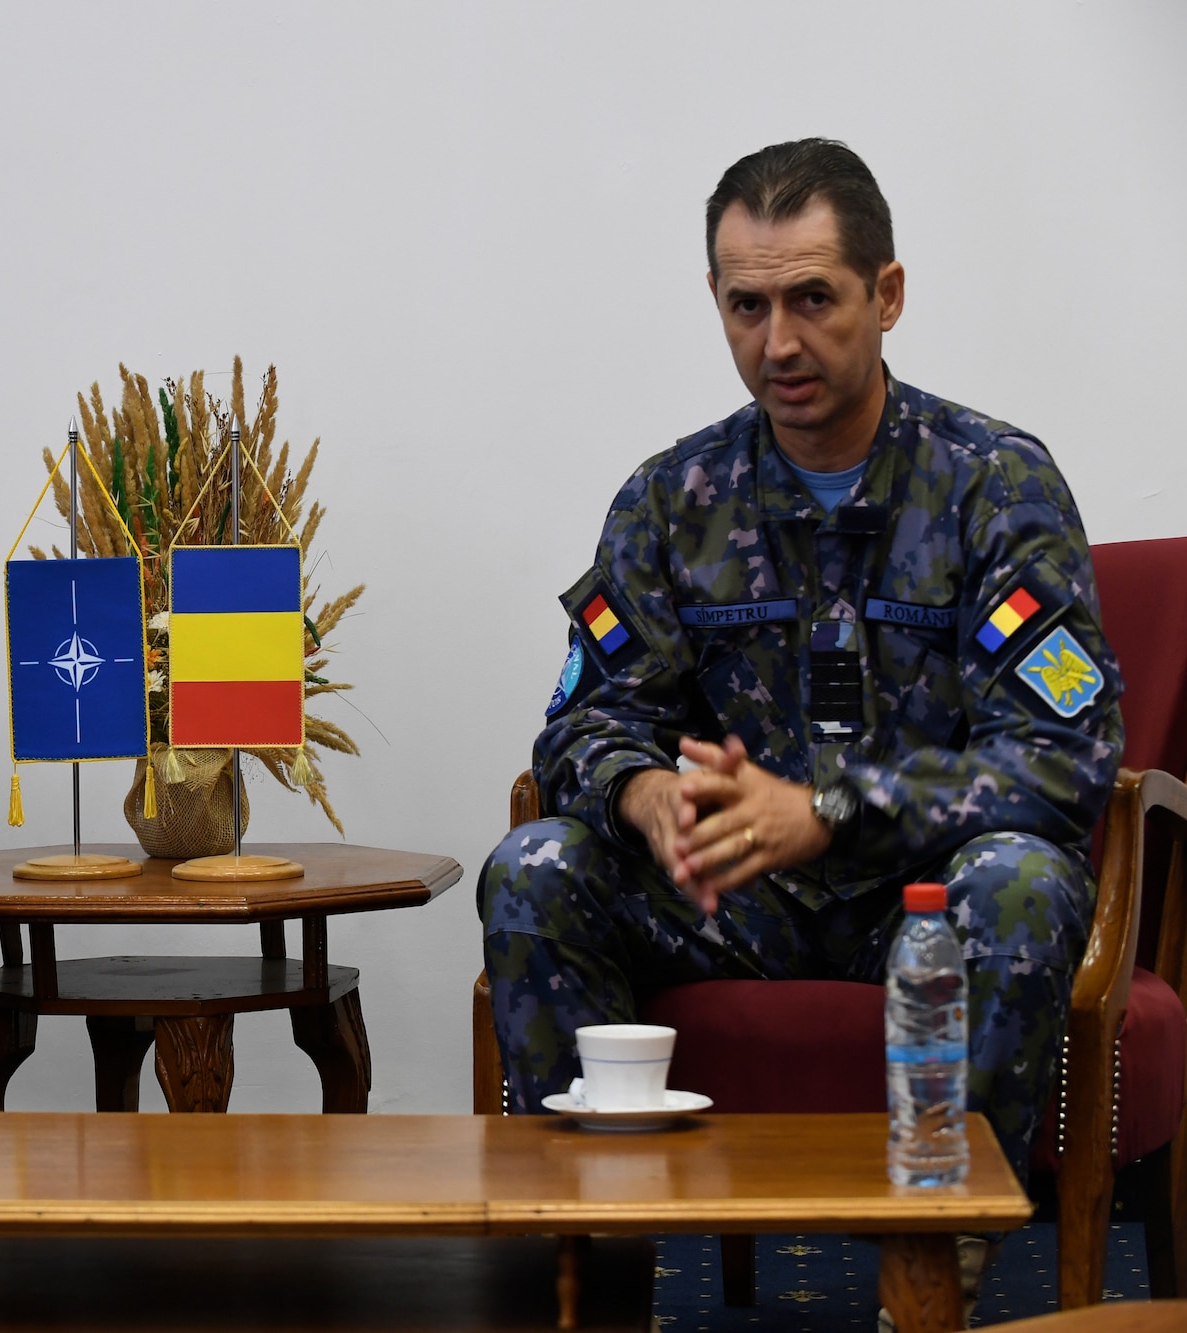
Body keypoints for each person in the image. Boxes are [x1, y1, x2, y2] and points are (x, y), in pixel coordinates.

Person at [479, 139, 1120, 1303]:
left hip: (919, 897)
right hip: (732, 899)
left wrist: (826, 811)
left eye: (811, 299)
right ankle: (595, 1275)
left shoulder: (992, 485)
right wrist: (644, 794)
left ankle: (929, 1269)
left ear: (885, 296)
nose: (777, 343)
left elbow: (1058, 759)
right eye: (746, 305)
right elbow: (580, 724)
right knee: (532, 865)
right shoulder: (670, 502)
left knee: (1022, 882)